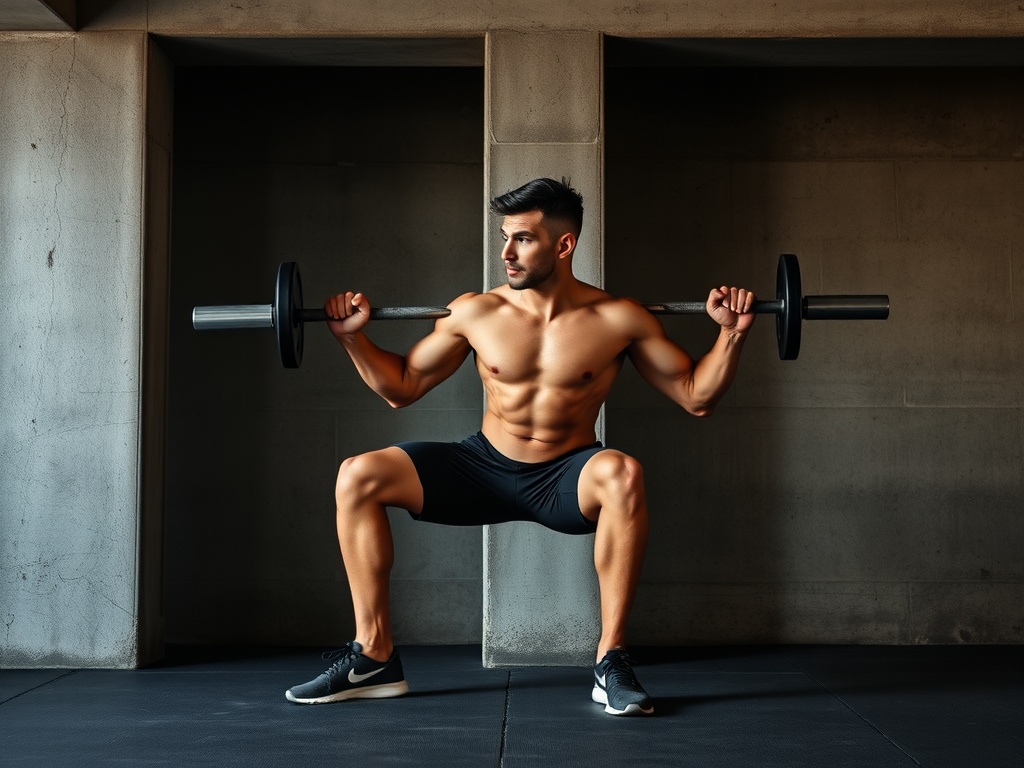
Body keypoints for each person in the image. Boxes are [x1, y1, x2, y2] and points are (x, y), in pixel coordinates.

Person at [285, 177, 756, 716]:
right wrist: (353, 338)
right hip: (482, 466)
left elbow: (696, 396)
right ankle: (373, 657)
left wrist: (733, 334)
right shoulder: (475, 312)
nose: (506, 252)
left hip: (564, 477)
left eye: (523, 239)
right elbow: (402, 388)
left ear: (564, 245)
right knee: (358, 474)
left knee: (622, 472)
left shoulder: (618, 319)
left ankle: (611, 661)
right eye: (505, 237)